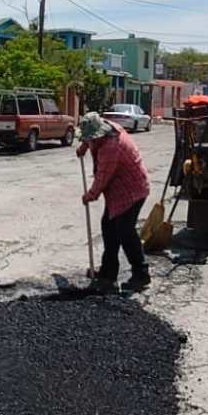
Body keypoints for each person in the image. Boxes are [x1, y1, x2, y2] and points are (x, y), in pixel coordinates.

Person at [76, 112, 151, 293]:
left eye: (90, 139)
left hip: (131, 191)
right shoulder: (104, 126)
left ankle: (141, 275)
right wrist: (84, 147)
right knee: (109, 228)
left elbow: (102, 179)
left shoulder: (111, 146)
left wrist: (90, 195)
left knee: (125, 231)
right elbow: (90, 137)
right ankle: (108, 273)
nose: (90, 140)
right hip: (118, 191)